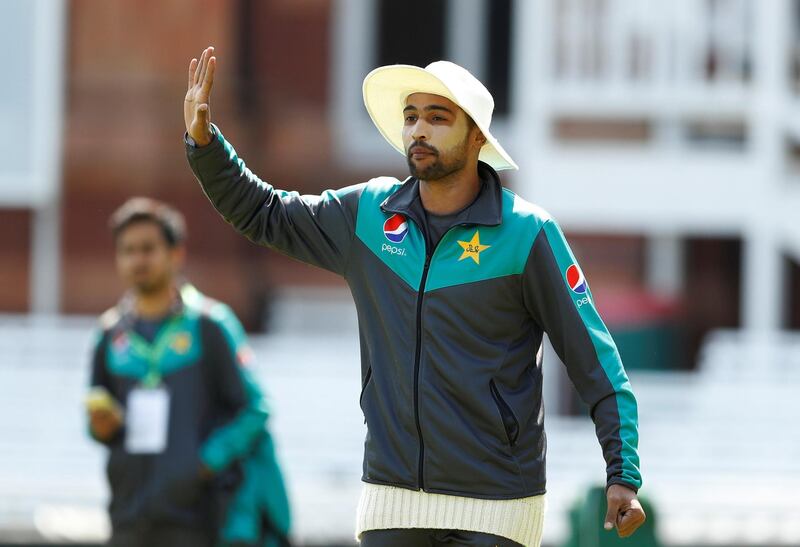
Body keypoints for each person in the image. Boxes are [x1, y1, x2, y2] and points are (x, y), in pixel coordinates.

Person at [183, 46, 645, 547]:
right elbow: (263, 212)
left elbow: (595, 361)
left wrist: (622, 474)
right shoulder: (367, 213)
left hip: (499, 508)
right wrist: (205, 144)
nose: (418, 130)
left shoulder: (528, 234)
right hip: (390, 499)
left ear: (476, 138)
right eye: (411, 117)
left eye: (437, 118)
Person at [86, 197, 291, 547]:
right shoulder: (110, 334)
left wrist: (203, 463)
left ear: (175, 253)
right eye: (128, 250)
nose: (138, 259)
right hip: (128, 516)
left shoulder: (209, 325)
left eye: (148, 249)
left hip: (198, 518)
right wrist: (100, 427)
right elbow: (97, 422)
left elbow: (255, 409)